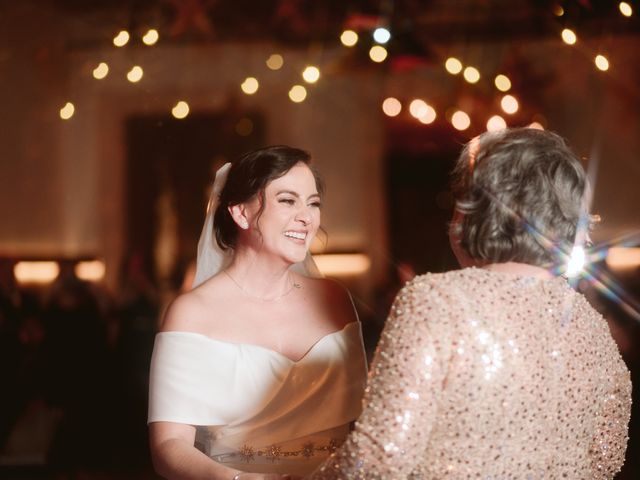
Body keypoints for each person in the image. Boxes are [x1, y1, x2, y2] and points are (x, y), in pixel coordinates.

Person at [306, 127, 632, 479]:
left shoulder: (436, 301)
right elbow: (604, 460)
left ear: (479, 208)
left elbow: (381, 457)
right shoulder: (591, 325)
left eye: (463, 197)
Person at [148, 146, 368, 479]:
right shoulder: (192, 312)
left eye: (313, 203)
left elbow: (363, 422)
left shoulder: (335, 299)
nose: (306, 218)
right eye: (287, 200)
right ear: (240, 213)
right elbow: (169, 446)